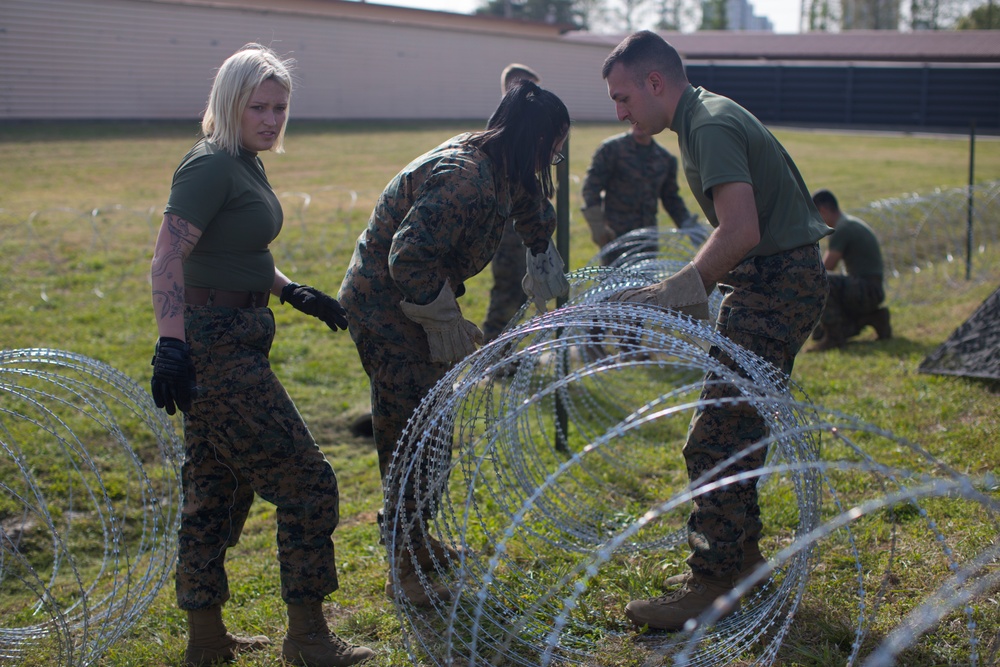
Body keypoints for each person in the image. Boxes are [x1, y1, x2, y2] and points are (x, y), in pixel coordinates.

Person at [148, 44, 373, 667]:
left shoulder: (245, 162)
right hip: (214, 346)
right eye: (259, 107)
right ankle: (306, 640)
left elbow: (238, 248)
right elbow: (167, 258)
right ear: (230, 104)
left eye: (280, 107)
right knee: (309, 484)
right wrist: (172, 344)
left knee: (214, 491)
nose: (272, 119)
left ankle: (207, 642)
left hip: (238, 332)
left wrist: (289, 290)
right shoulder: (210, 167)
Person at [602, 31, 831, 631]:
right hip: (774, 282)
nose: (619, 112)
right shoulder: (705, 117)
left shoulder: (706, 124)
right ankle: (744, 560)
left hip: (772, 285)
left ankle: (711, 581)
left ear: (656, 83)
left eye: (624, 97)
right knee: (738, 430)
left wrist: (684, 287)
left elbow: (741, 230)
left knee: (713, 440)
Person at [338, 80, 570, 606]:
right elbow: (408, 259)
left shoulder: (505, 164)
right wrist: (450, 323)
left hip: (415, 298)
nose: (555, 156)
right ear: (532, 139)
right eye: (553, 144)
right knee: (412, 431)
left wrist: (542, 253)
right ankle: (405, 561)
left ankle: (419, 539)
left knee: (434, 425)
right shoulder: (465, 180)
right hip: (389, 308)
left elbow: (531, 205)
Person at [481, 62, 546, 342]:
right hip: (507, 227)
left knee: (520, 291)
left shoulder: (529, 131)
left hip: (522, 223)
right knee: (508, 288)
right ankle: (496, 352)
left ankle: (508, 351)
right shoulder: (502, 132)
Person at [581, 123, 704, 263]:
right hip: (617, 238)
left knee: (646, 282)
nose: (638, 123)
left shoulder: (665, 159)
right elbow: (591, 189)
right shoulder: (611, 149)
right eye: (634, 119)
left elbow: (671, 198)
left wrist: (686, 222)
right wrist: (598, 226)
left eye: (642, 119)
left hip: (647, 240)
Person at [810, 188, 891, 350]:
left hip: (866, 290)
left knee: (820, 281)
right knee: (817, 332)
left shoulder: (842, 229)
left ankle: (834, 338)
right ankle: (875, 318)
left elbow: (825, 268)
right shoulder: (849, 223)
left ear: (824, 210)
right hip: (870, 289)